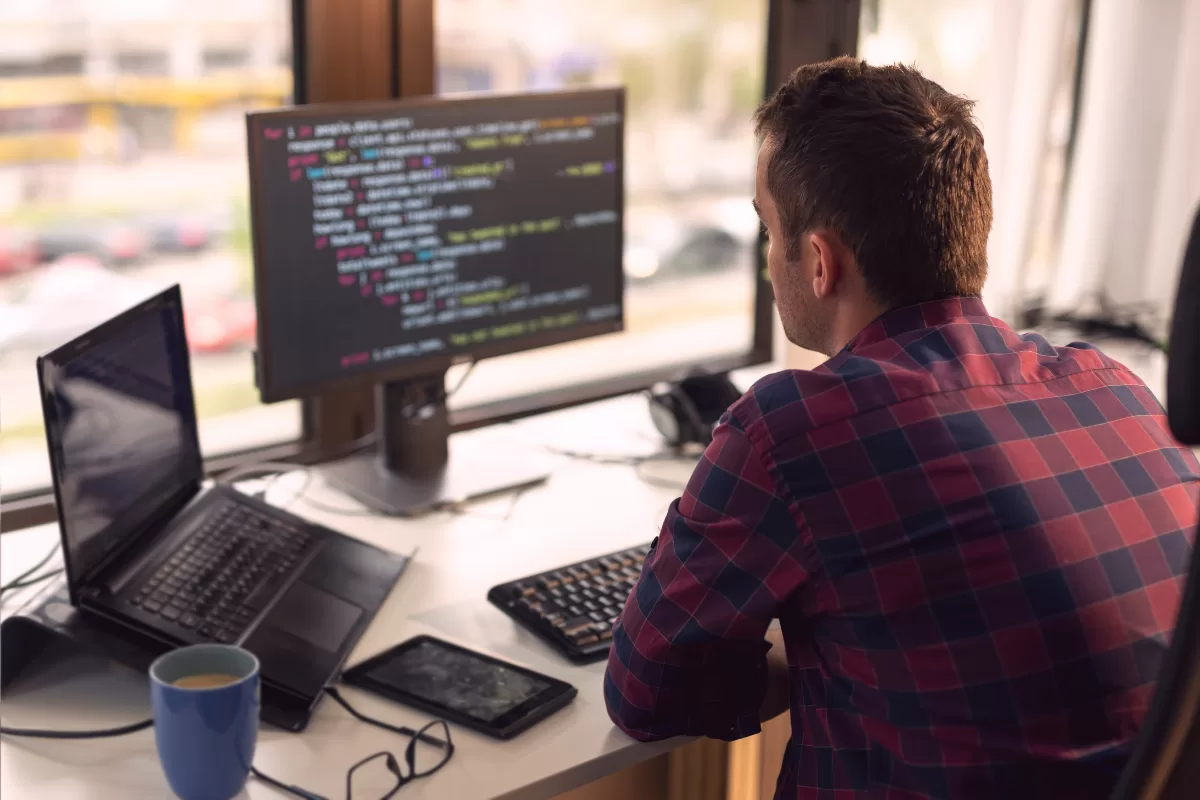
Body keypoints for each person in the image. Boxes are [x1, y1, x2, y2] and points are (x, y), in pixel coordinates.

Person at [604, 57, 1199, 799]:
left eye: (768, 228)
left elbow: (646, 690)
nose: (766, 257)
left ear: (818, 261)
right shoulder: (1115, 387)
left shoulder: (790, 431)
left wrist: (807, 658)